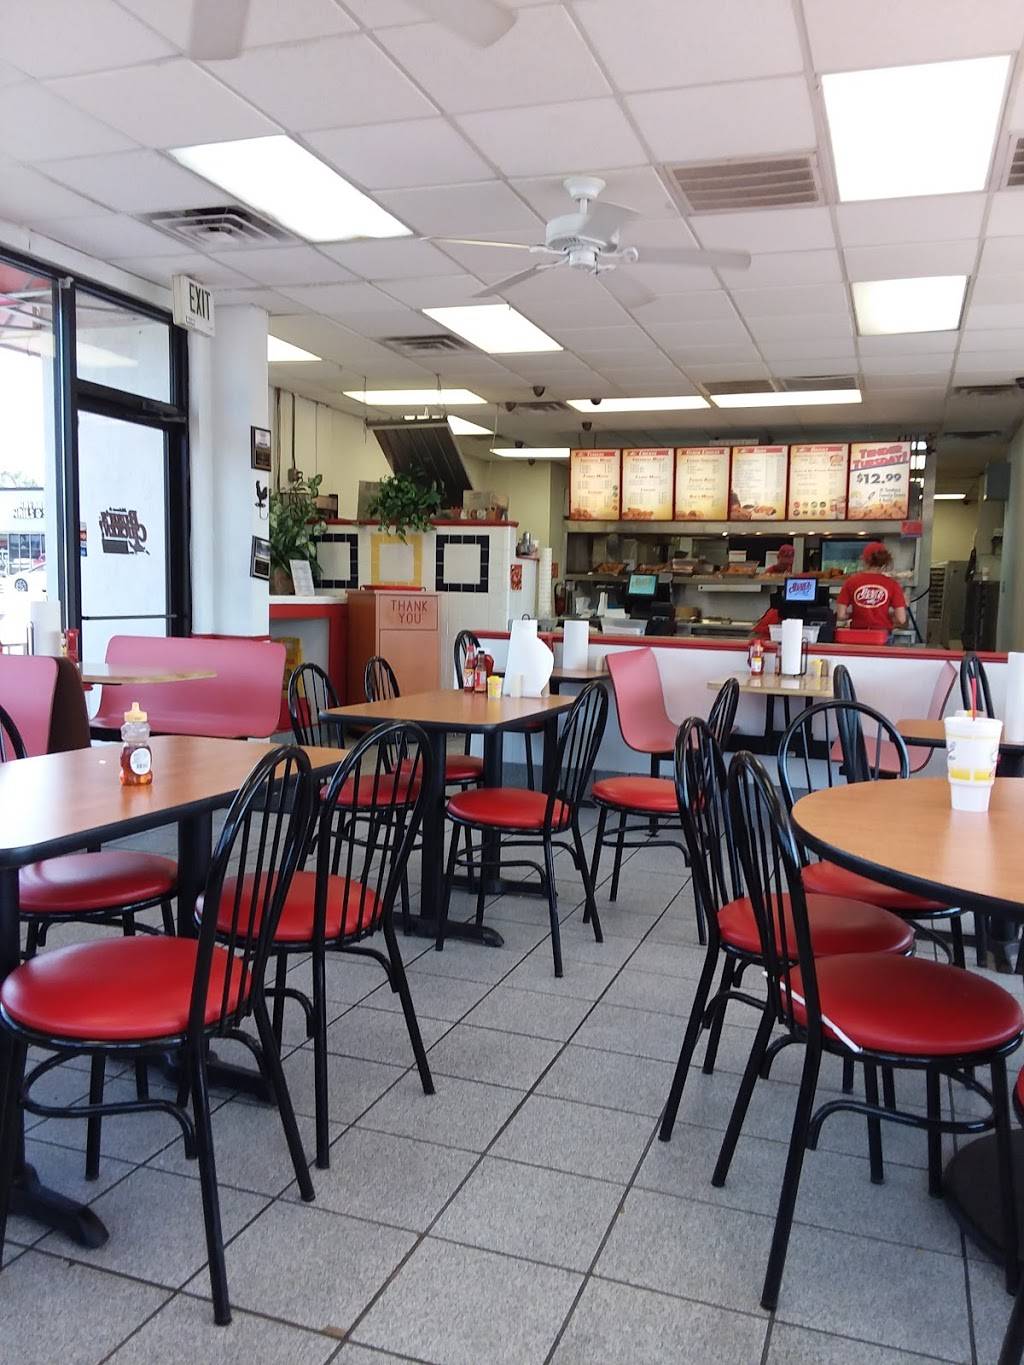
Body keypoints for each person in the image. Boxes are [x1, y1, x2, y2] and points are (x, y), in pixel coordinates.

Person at [835, 542, 907, 633]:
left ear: (864, 559)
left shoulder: (851, 582)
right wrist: (885, 618)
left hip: (857, 633)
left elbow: (841, 615)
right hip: (881, 634)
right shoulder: (892, 584)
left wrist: (853, 615)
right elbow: (901, 619)